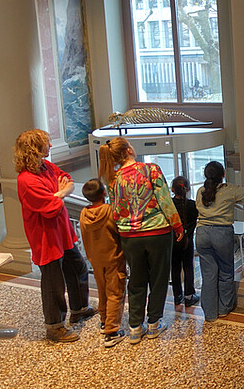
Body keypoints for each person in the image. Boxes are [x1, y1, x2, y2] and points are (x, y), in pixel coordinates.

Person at [99, 137, 183, 344]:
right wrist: (177, 225)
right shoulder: (150, 169)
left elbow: (116, 209)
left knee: (136, 280)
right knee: (159, 278)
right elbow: (164, 199)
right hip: (157, 233)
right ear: (128, 150)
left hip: (129, 236)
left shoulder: (113, 178)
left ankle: (135, 327)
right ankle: (154, 323)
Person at [14, 129, 94, 342]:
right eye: (46, 144)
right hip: (45, 237)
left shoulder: (45, 167)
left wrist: (59, 193)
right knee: (53, 283)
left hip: (62, 231)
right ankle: (54, 326)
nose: (50, 147)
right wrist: (59, 195)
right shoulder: (26, 180)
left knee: (78, 267)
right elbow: (51, 208)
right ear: (34, 148)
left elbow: (67, 179)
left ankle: (79, 309)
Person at [195, 161, 244, 321]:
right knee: (225, 271)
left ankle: (209, 313)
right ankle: (224, 308)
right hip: (222, 233)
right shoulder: (229, 190)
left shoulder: (200, 191)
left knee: (208, 275)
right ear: (223, 175)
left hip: (201, 232)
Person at [79, 178, 127, 348]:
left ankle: (104, 321)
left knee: (103, 292)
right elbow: (118, 231)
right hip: (113, 257)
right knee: (115, 292)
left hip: (96, 259)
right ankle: (112, 332)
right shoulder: (109, 211)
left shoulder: (84, 213)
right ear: (104, 193)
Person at [170, 176, 200, 308]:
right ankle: (189, 296)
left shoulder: (169, 205)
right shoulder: (192, 205)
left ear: (172, 189)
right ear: (188, 189)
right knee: (188, 267)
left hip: (172, 242)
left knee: (175, 268)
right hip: (188, 241)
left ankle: (177, 296)